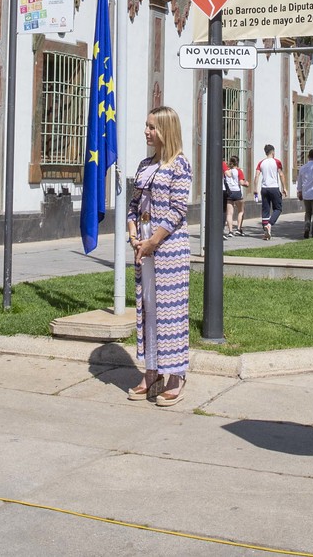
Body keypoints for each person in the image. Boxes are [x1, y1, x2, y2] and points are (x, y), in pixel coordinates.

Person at [126, 106, 192, 407]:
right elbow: (133, 204)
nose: (146, 132)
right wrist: (132, 232)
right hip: (144, 247)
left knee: (171, 311)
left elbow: (178, 210)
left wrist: (153, 240)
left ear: (165, 130)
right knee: (149, 308)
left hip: (169, 248)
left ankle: (176, 373)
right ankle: (152, 370)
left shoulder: (180, 165)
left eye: (151, 127)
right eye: (146, 126)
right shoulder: (144, 165)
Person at [254, 143, 287, 240]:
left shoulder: (261, 163)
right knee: (278, 208)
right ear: (272, 152)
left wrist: (255, 189)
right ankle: (269, 224)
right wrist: (284, 187)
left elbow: (256, 176)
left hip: (264, 188)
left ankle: (265, 232)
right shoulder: (276, 162)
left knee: (265, 210)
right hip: (274, 187)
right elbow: (281, 174)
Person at [222, 155, 246, 236]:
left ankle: (230, 231)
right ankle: (239, 228)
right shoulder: (239, 171)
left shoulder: (227, 171)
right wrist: (247, 183)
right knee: (241, 211)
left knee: (229, 213)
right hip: (237, 192)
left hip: (229, 192)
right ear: (237, 162)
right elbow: (241, 183)